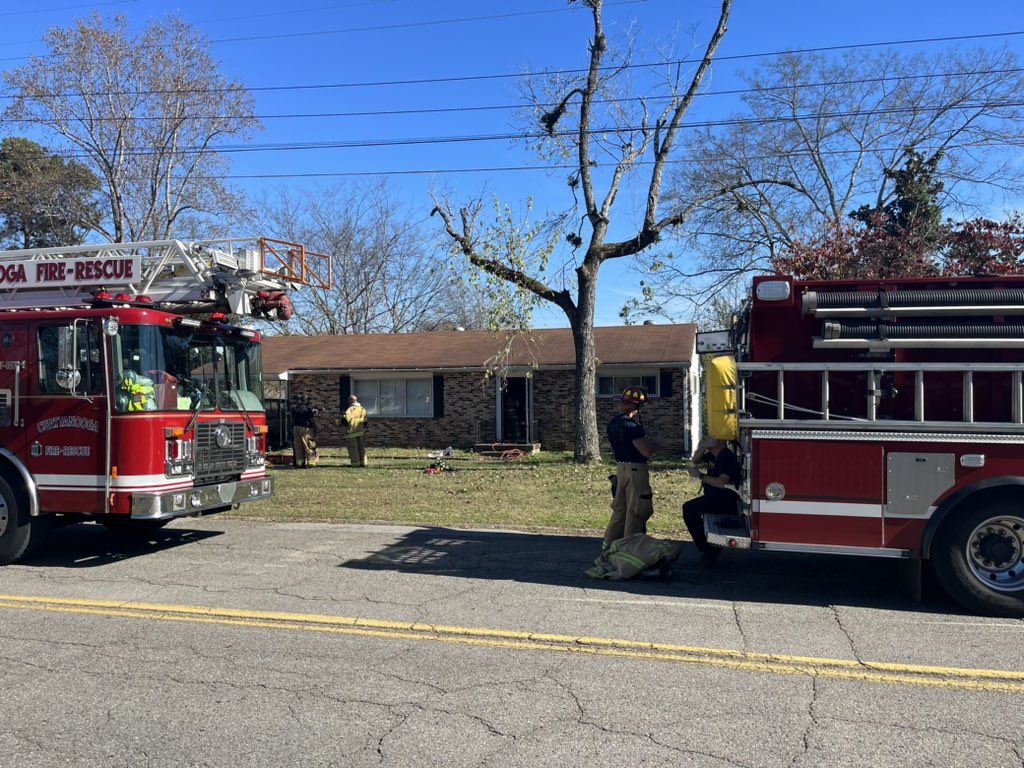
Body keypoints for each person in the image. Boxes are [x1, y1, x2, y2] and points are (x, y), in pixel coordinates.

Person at [602, 386, 662, 550]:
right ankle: (630, 549)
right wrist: (656, 443)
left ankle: (608, 547)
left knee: (619, 510)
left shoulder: (613, 423)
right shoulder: (632, 427)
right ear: (637, 407)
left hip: (621, 469)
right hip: (636, 471)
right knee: (635, 511)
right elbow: (646, 451)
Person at [683, 436, 741, 566]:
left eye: (712, 437)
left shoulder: (726, 457)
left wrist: (700, 475)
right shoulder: (714, 455)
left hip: (725, 501)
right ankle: (710, 548)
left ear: (720, 441)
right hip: (714, 498)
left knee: (689, 509)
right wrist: (703, 446)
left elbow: (721, 482)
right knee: (691, 508)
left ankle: (708, 550)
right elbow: (695, 461)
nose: (708, 438)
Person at [290, 394, 317, 468]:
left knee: (299, 447)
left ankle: (300, 463)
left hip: (296, 429)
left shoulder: (295, 409)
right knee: (309, 446)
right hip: (305, 429)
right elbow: (312, 421)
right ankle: (311, 464)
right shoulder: (308, 410)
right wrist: (315, 430)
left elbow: (292, 421)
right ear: (306, 401)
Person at [343, 394, 368, 466]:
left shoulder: (349, 410)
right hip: (361, 432)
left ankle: (355, 463)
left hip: (351, 433)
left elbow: (345, 421)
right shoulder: (362, 409)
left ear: (350, 401)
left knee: (353, 448)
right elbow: (365, 421)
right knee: (361, 448)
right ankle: (363, 462)